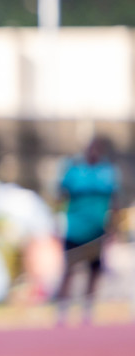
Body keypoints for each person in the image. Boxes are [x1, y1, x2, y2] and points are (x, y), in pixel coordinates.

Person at [54, 137, 121, 326]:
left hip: (97, 229)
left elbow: (114, 200)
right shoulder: (74, 170)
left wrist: (113, 227)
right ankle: (62, 310)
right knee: (68, 269)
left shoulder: (108, 172)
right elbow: (60, 195)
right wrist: (57, 219)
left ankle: (87, 308)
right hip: (74, 228)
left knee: (94, 270)